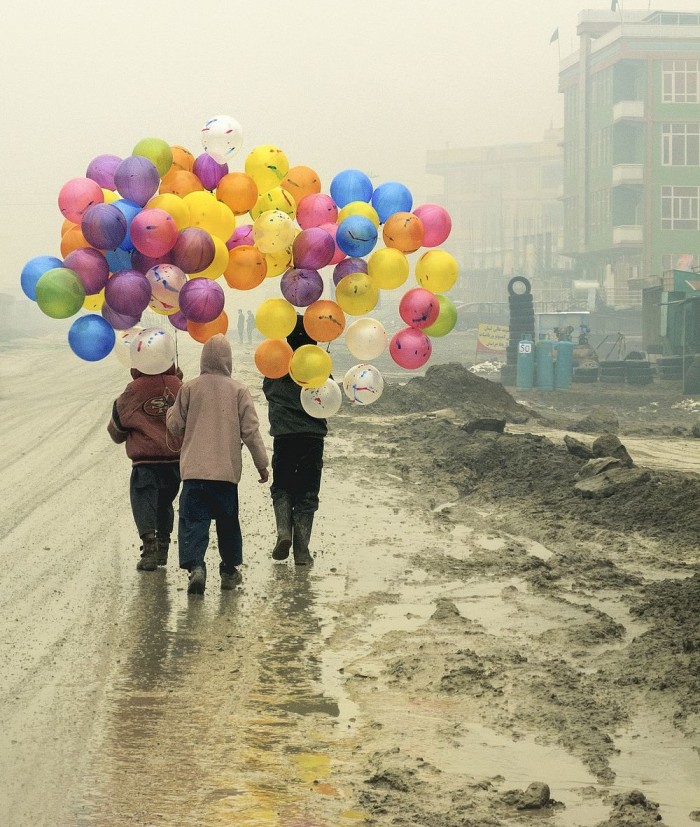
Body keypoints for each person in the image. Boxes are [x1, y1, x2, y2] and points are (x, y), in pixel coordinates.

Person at [166, 334, 269, 594]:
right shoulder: (239, 390)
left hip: (194, 473)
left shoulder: (188, 388)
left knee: (193, 522)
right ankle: (228, 571)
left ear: (203, 359)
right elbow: (251, 431)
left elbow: (175, 425)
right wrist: (262, 464)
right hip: (225, 474)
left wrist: (171, 408)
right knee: (228, 523)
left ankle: (197, 568)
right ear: (229, 361)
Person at [262, 316, 327, 566]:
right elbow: (329, 398)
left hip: (284, 437)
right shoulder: (320, 366)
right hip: (312, 439)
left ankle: (283, 532)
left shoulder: (278, 366)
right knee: (308, 493)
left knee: (283, 487)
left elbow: (268, 390)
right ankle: (301, 550)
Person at [107, 361, 183, 571]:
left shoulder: (134, 389)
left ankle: (149, 548)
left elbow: (117, 429)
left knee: (144, 500)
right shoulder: (178, 385)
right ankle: (164, 546)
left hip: (145, 462)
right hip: (174, 460)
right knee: (165, 503)